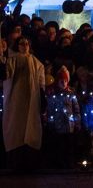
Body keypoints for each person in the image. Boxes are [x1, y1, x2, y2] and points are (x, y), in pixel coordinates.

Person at [2, 36, 45, 172]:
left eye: (27, 43)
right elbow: (6, 74)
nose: (25, 46)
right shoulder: (13, 59)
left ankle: (30, 165)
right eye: (22, 43)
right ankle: (15, 165)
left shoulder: (36, 62)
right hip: (16, 102)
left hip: (32, 101)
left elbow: (41, 82)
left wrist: (42, 98)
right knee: (16, 131)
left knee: (31, 130)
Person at [46, 66, 82, 169]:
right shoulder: (53, 95)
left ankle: (69, 162)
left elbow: (76, 110)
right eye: (61, 81)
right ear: (57, 81)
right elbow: (50, 110)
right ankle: (60, 163)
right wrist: (51, 123)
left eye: (65, 81)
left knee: (69, 146)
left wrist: (77, 123)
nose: (63, 83)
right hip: (58, 126)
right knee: (59, 146)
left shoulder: (71, 95)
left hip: (69, 126)